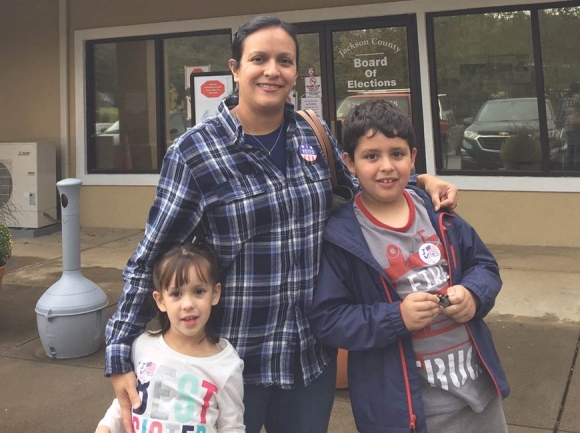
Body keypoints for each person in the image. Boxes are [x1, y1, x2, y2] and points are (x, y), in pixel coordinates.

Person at [105, 15, 459, 433]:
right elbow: (154, 255)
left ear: (294, 71)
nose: (272, 70)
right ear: (236, 68)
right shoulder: (194, 152)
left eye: (284, 60)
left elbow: (368, 191)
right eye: (259, 58)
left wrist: (421, 181)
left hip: (309, 358)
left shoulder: (314, 135)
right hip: (228, 361)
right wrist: (119, 353)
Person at [308, 99, 509, 433]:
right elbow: (328, 319)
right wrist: (396, 317)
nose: (386, 166)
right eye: (371, 156)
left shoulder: (437, 212)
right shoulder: (343, 236)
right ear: (350, 163)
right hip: (406, 411)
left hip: (479, 396)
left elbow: (484, 265)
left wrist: (474, 295)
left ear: (413, 157)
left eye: (397, 154)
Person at [96, 242, 244, 433]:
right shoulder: (142, 346)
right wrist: (106, 426)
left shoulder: (226, 364)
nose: (188, 304)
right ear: (160, 300)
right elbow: (128, 399)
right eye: (176, 294)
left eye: (198, 291)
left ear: (215, 294)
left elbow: (232, 427)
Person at [556, 81, 580, 170]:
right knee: (578, 148)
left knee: (570, 147)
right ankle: (577, 170)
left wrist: (559, 124)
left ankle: (568, 168)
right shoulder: (578, 98)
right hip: (578, 128)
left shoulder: (564, 99)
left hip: (568, 128)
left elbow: (560, 115)